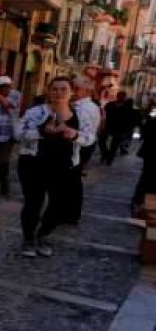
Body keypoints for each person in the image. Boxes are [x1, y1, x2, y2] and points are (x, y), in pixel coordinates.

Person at [15, 76, 82, 258]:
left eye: (63, 89)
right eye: (55, 89)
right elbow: (18, 133)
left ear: (71, 92)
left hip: (63, 167)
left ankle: (42, 234)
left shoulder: (79, 114)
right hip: (33, 164)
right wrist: (40, 132)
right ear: (48, 91)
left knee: (59, 205)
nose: (58, 92)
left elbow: (90, 138)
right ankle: (28, 239)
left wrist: (75, 135)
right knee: (33, 203)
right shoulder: (35, 112)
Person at [69, 75, 102, 223]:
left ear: (87, 90)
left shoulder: (84, 107)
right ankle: (72, 213)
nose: (73, 91)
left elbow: (83, 131)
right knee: (74, 180)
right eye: (73, 88)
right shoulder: (89, 106)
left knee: (72, 180)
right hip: (84, 144)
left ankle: (71, 214)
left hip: (81, 145)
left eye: (77, 89)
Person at [101, 90, 137, 165]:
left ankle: (109, 159)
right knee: (101, 141)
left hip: (119, 129)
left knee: (114, 145)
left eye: (122, 96)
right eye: (119, 95)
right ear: (117, 96)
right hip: (108, 126)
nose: (120, 97)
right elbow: (104, 114)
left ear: (124, 97)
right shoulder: (110, 104)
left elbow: (130, 117)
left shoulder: (127, 107)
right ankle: (105, 154)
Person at [134, 108, 156, 216]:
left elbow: (145, 133)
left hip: (149, 154)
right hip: (151, 155)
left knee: (146, 178)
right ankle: (140, 203)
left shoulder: (152, 121)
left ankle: (140, 202)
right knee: (147, 179)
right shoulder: (153, 121)